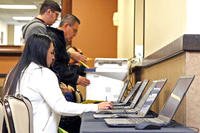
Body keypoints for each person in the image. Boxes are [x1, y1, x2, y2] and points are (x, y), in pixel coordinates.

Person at [2, 34, 112, 133]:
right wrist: (96, 107)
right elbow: (61, 107)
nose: (54, 57)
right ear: (41, 52)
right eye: (51, 52)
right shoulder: (43, 73)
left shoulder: (14, 73)